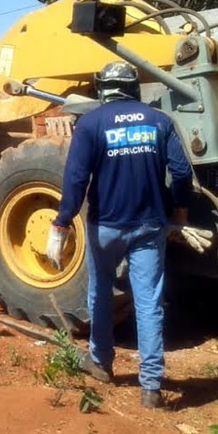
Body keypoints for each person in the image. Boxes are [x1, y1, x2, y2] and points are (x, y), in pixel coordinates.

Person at [46, 61, 193, 409]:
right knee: (149, 302)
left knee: (99, 293)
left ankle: (101, 363)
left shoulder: (91, 124)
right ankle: (151, 387)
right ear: (134, 87)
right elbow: (182, 171)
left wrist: (62, 221)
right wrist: (181, 209)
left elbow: (76, 180)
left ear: (103, 88)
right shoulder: (160, 121)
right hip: (149, 226)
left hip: (107, 227)